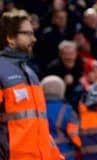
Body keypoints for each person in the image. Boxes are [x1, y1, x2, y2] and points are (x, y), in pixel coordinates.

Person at [0, 9, 64, 159]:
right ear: (10, 38)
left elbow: (39, 126)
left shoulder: (31, 73)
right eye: (27, 33)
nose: (33, 39)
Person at [41, 75, 82, 160]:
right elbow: (75, 136)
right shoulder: (67, 110)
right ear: (62, 90)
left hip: (44, 155)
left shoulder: (37, 111)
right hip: (66, 155)